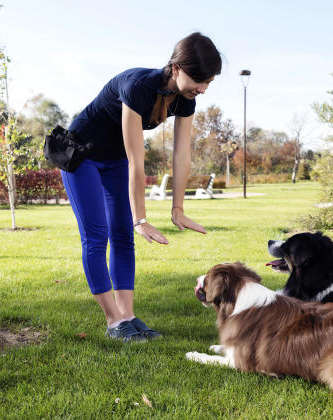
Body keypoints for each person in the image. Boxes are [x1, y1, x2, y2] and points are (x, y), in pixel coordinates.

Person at [62, 32, 221, 342]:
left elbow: (181, 154)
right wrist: (142, 219)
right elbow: (138, 160)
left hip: (114, 160)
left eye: (208, 83)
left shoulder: (185, 100)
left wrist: (178, 209)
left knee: (123, 237)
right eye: (198, 79)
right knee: (97, 236)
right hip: (82, 156)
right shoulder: (138, 86)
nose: (202, 88)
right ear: (176, 69)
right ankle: (113, 321)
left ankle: (129, 317)